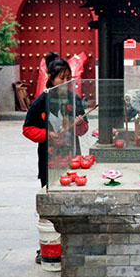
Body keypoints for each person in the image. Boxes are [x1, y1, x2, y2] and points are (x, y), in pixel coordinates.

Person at [22, 52, 88, 266]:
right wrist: (48, 135)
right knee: (50, 206)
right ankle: (47, 246)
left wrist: (80, 124)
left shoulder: (74, 99)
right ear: (50, 78)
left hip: (71, 157)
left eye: (68, 77)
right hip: (49, 160)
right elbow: (27, 129)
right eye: (61, 77)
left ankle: (72, 246)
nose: (66, 81)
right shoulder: (42, 101)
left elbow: (83, 130)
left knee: (74, 201)